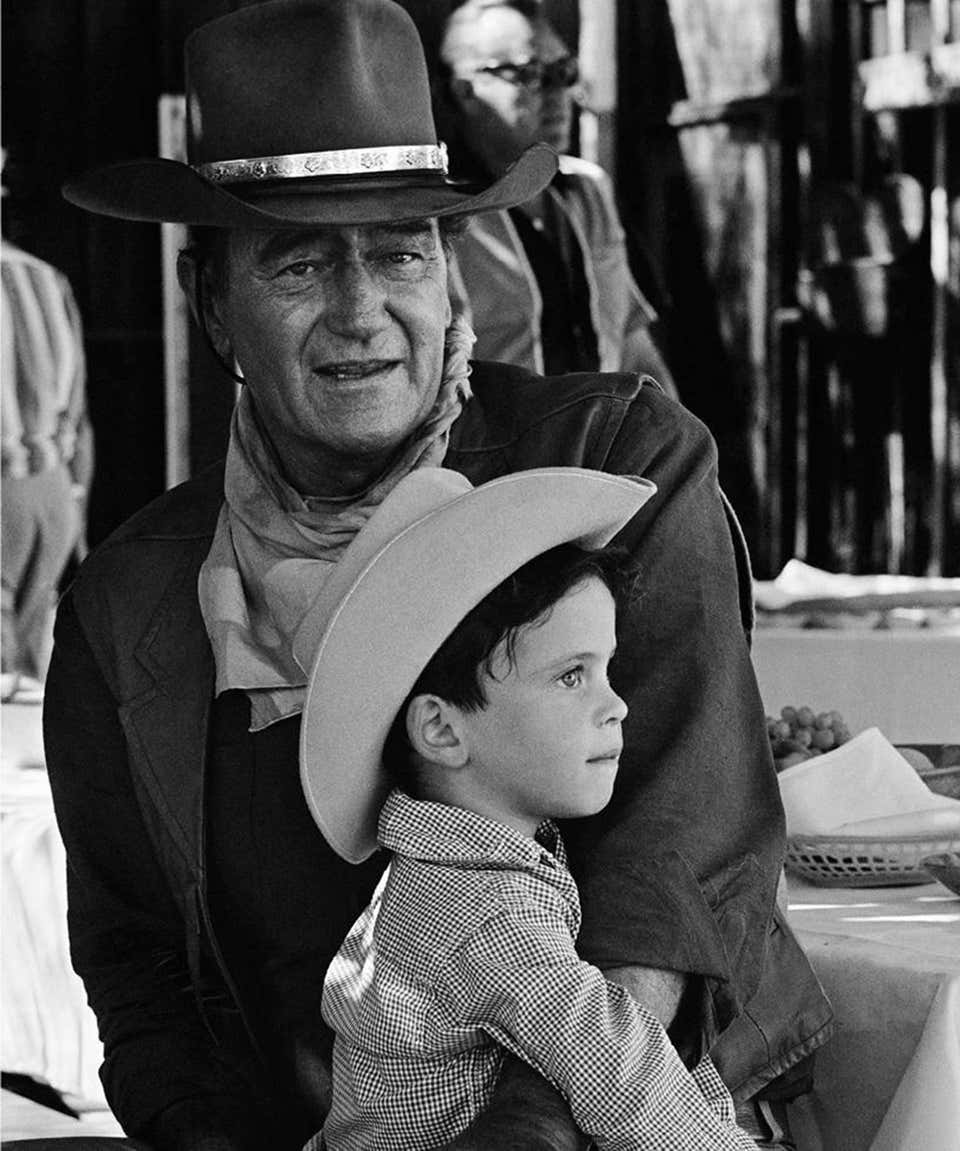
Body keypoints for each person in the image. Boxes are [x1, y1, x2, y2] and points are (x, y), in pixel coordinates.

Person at [43, 2, 832, 1149]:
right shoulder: (128, 608)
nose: (362, 312)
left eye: (401, 251)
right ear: (212, 303)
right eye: (300, 262)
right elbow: (140, 975)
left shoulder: (615, 460)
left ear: (449, 275)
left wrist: (523, 1130)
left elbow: (678, 847)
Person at [294, 463, 760, 1150]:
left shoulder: (432, 871)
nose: (617, 703)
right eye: (572, 675)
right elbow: (617, 1064)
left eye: (605, 667)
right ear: (443, 730)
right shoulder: (488, 914)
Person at [405, 0, 678, 392]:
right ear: (465, 91)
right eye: (530, 74)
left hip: (606, 443)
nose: (558, 96)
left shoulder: (587, 191)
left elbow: (631, 340)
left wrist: (682, 436)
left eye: (564, 73)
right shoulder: (439, 214)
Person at [1, 209, 93, 690]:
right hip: (53, 494)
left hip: (3, 492)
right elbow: (78, 417)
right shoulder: (45, 278)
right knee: (29, 677)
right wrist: (76, 512)